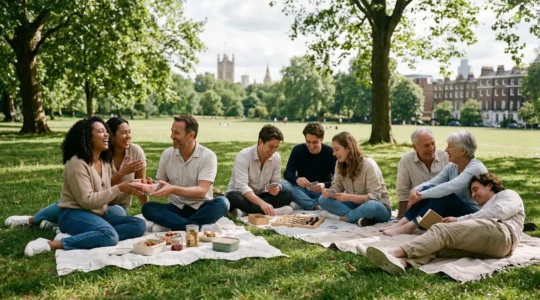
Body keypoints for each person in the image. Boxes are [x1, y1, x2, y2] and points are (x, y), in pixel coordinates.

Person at [23, 117, 146, 256]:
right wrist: (120, 188)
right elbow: (87, 201)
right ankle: (51, 243)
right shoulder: (77, 163)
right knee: (110, 236)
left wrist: (136, 186)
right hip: (73, 214)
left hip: (98, 214)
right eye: (101, 131)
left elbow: (104, 193)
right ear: (88, 136)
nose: (107, 135)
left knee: (138, 225)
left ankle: (85, 236)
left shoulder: (104, 162)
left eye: (107, 131)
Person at [364, 173, 524, 274]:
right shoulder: (484, 208)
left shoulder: (507, 195)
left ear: (489, 185)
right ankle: (402, 263)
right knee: (438, 246)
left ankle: (394, 253)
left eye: (476, 189)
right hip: (495, 248)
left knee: (442, 229)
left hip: (501, 233)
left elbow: (498, 213)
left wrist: (459, 220)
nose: (474, 195)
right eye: (472, 192)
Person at [382, 130, 488, 236]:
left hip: (472, 215)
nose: (446, 150)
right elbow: (433, 182)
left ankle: (409, 227)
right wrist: (416, 190)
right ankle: (402, 223)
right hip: (455, 211)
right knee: (429, 190)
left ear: (462, 151)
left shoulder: (475, 168)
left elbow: (449, 187)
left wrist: (420, 196)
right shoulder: (453, 166)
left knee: (445, 196)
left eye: (450, 146)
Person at [142, 115, 229, 231]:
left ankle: (175, 224)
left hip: (201, 207)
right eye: (172, 132)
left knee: (223, 203)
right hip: (176, 207)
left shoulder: (208, 156)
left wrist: (172, 189)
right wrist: (150, 185)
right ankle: (196, 227)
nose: (172, 136)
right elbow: (161, 183)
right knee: (148, 208)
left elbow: (202, 191)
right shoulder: (167, 154)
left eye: (177, 133)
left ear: (191, 135)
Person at [318, 132, 392, 226]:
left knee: (371, 206)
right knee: (322, 199)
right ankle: (360, 218)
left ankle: (343, 218)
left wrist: (349, 197)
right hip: (354, 205)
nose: (334, 153)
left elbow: (375, 197)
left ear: (348, 148)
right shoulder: (339, 164)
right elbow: (337, 186)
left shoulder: (368, 165)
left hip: (379, 208)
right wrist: (330, 192)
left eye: (337, 149)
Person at [226, 124, 293, 217]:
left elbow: (276, 182)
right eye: (271, 146)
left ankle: (245, 212)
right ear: (260, 141)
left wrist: (276, 188)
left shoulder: (276, 157)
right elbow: (242, 187)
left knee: (287, 195)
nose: (274, 150)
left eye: (277, 147)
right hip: (242, 195)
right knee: (232, 197)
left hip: (261, 195)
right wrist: (262, 203)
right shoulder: (243, 156)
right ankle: (272, 211)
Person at [395, 128, 449, 218]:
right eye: (426, 145)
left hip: (443, 205)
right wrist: (401, 217)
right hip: (419, 206)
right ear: (415, 147)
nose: (431, 148)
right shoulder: (406, 161)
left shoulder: (446, 157)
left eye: (433, 143)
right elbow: (403, 192)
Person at [281, 123, 337, 210]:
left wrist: (324, 185)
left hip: (321, 192)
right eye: (308, 142)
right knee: (283, 184)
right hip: (302, 190)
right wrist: (297, 179)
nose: (311, 146)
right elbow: (288, 173)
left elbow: (338, 180)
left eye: (315, 142)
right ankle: (315, 205)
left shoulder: (331, 152)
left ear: (322, 139)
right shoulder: (298, 150)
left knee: (337, 193)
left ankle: (302, 202)